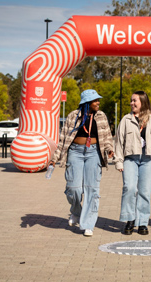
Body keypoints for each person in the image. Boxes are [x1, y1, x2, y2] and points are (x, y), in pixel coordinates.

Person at [48, 89, 114, 237]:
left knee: (92, 189)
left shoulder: (101, 116)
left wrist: (109, 149)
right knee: (74, 188)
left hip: (94, 153)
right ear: (86, 102)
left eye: (98, 100)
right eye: (95, 100)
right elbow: (63, 139)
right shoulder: (73, 116)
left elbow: (107, 136)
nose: (98, 103)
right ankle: (76, 211)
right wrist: (55, 158)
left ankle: (88, 224)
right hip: (75, 152)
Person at [114, 91, 151, 235]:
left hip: (148, 160)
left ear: (143, 102)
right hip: (130, 159)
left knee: (145, 192)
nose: (132, 103)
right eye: (131, 101)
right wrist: (118, 161)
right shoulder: (126, 120)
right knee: (129, 188)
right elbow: (119, 142)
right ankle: (130, 219)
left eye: (135, 101)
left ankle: (143, 223)